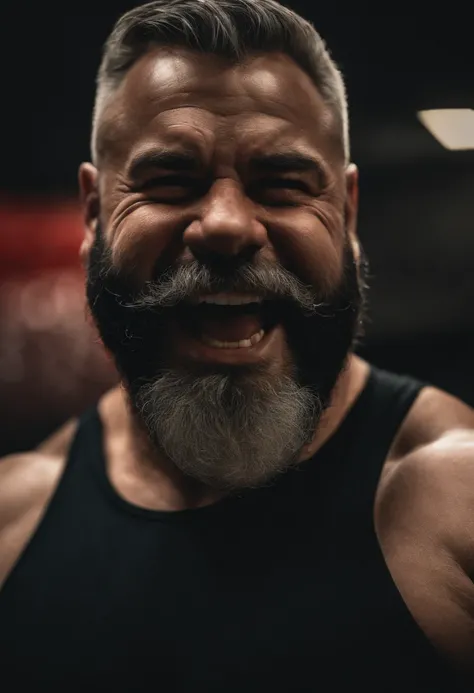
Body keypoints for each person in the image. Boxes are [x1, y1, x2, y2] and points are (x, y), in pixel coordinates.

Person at [0, 1, 473, 690]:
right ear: (94, 213)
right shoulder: (14, 523)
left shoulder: (457, 498)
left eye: (281, 182)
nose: (225, 226)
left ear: (348, 213)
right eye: (169, 181)